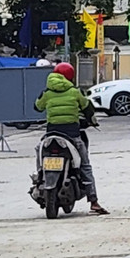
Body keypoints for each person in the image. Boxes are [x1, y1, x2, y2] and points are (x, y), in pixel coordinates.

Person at [34, 62, 107, 215]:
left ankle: (39, 175)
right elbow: (87, 108)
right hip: (72, 134)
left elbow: (37, 107)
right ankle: (93, 202)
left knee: (39, 151)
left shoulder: (47, 92)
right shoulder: (75, 92)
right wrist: (92, 119)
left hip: (51, 133)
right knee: (85, 165)